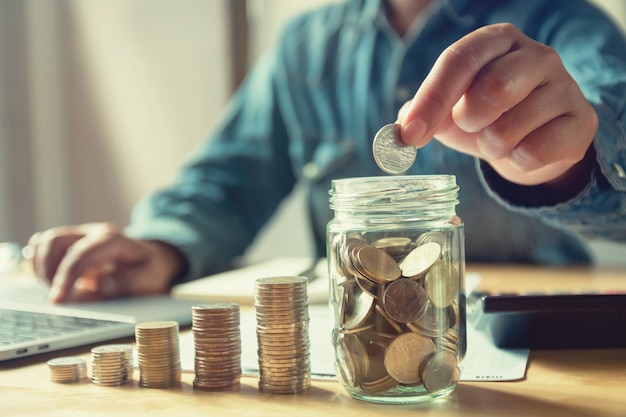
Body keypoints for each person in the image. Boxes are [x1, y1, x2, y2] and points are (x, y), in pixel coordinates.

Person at [27, 0, 626, 303]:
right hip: (350, 337)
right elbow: (227, 183)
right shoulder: (305, 45)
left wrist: (561, 167)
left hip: (529, 333)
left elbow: (608, 126)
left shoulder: (565, 24)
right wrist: (160, 245)